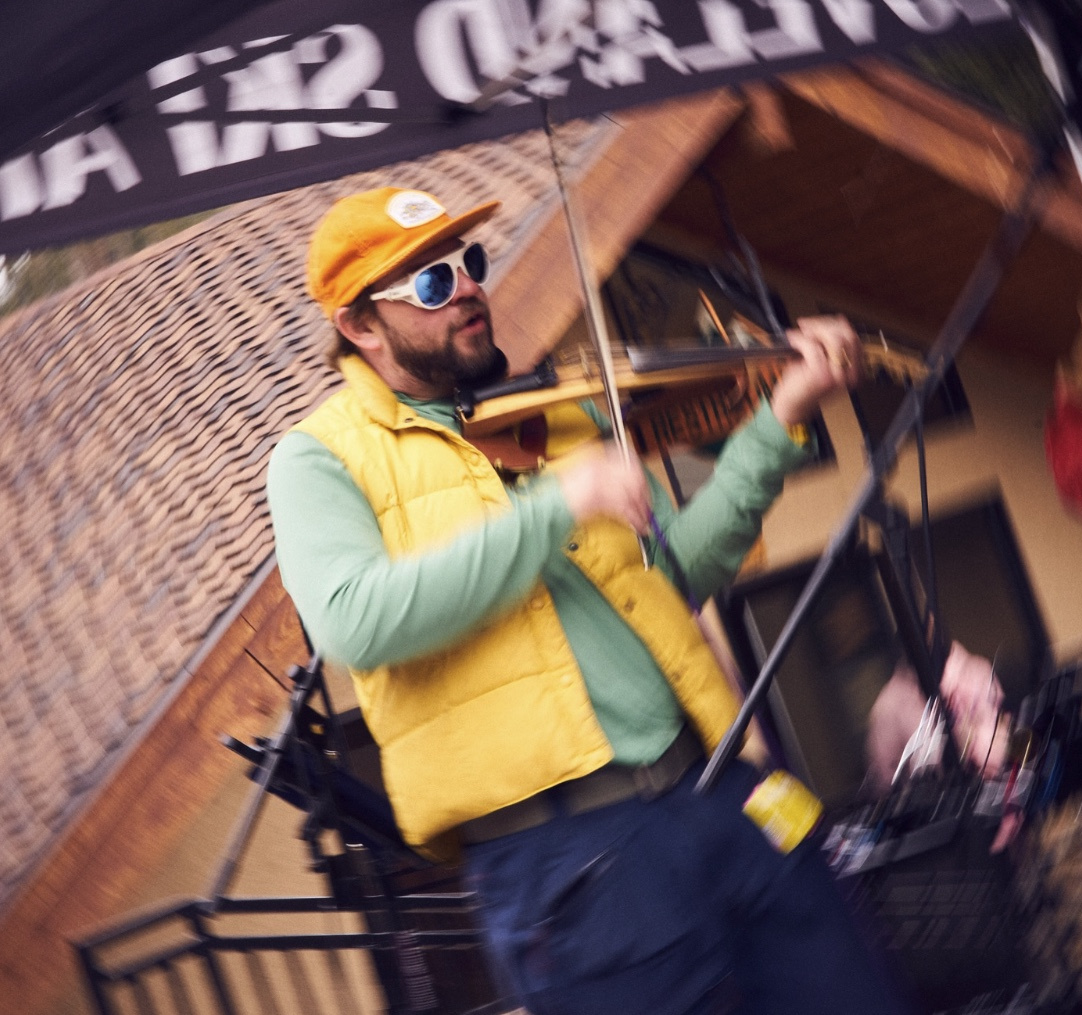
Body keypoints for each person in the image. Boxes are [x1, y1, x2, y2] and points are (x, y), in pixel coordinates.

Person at [267, 186, 916, 1015]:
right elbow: (355, 620)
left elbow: (673, 575)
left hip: (719, 790)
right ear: (360, 325)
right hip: (569, 859)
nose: (467, 286)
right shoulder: (318, 459)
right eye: (430, 282)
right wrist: (556, 505)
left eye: (468, 263)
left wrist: (778, 420)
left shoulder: (553, 419)